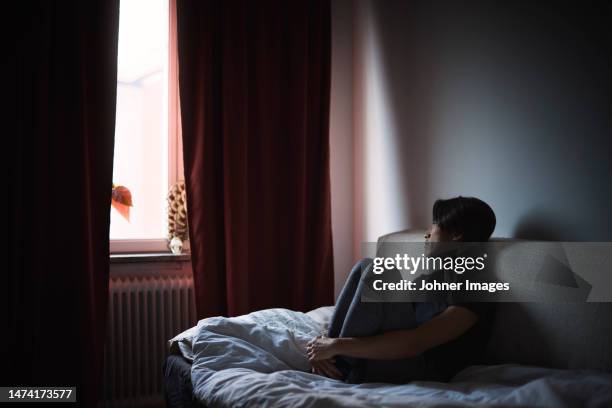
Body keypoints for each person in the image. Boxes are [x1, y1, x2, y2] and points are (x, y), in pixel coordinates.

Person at [307, 196, 497, 383]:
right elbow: (373, 317)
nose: (427, 233)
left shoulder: (477, 283)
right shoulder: (430, 278)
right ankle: (331, 362)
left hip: (423, 367)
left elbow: (416, 342)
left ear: (456, 234)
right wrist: (327, 343)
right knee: (366, 265)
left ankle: (339, 365)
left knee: (379, 269)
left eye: (433, 225)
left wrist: (338, 346)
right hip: (387, 357)